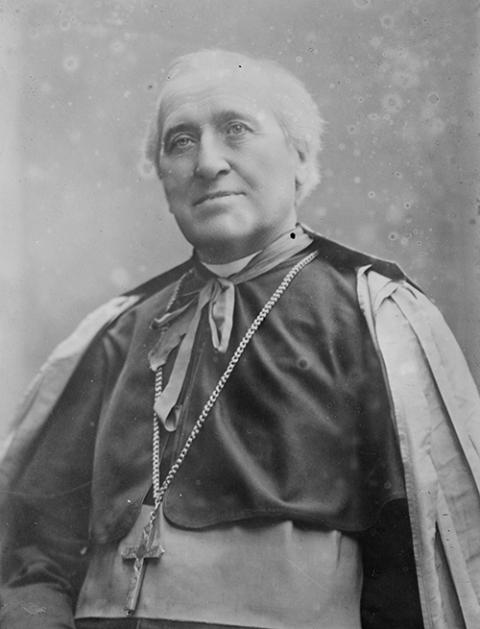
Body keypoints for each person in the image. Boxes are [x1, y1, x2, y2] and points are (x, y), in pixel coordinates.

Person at [1, 49, 479, 629]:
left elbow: (417, 569)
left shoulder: (372, 313)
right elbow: (35, 552)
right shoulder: (121, 329)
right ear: (161, 175)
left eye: (235, 130)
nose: (207, 163)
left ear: (300, 157)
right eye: (180, 141)